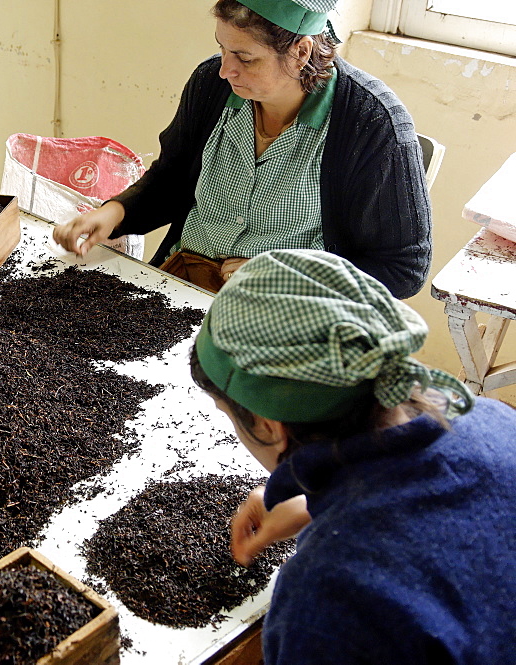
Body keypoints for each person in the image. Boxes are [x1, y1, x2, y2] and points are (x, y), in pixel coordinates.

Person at [189, 249, 516, 664]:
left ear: (266, 422)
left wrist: (344, 523)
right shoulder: (489, 418)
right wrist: (321, 504)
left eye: (228, 414)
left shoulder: (330, 598)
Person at [52, 0, 431, 299]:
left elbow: (403, 268)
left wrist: (289, 278)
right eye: (223, 49)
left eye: (245, 58)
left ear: (301, 51)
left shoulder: (373, 124)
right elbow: (172, 179)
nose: (224, 70)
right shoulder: (211, 86)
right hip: (185, 281)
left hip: (287, 310)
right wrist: (115, 212)